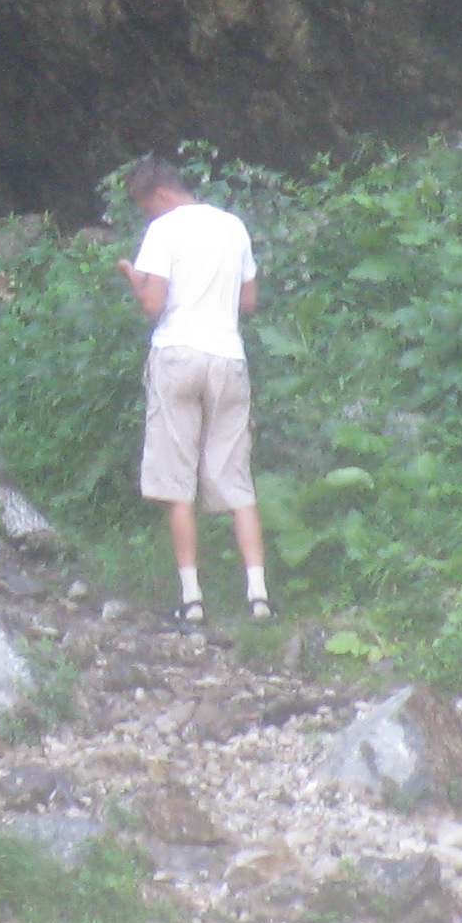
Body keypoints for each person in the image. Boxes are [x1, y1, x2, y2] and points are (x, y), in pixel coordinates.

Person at [117, 155, 264, 631]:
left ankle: (192, 599)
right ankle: (258, 596)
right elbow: (249, 301)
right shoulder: (233, 226)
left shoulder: (164, 230)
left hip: (178, 355)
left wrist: (133, 278)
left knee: (177, 481)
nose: (147, 215)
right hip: (227, 358)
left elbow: (152, 304)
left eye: (145, 206)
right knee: (235, 479)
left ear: (160, 195)